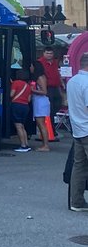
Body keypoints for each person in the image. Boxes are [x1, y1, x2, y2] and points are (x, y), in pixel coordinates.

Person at [63, 52, 88, 212]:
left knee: (79, 165)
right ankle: (77, 201)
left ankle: (76, 201)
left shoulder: (72, 82)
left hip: (78, 128)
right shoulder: (87, 82)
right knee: (80, 165)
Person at [30, 58, 51, 151]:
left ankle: (46, 145)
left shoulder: (40, 77)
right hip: (38, 101)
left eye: (31, 66)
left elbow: (44, 91)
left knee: (41, 124)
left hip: (41, 102)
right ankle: (44, 144)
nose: (30, 68)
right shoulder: (37, 77)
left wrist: (32, 90)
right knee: (40, 124)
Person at [9, 69, 32, 153]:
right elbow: (29, 99)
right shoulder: (28, 86)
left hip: (17, 105)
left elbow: (11, 94)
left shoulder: (16, 83)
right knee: (22, 126)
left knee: (18, 126)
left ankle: (23, 146)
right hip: (25, 106)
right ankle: (26, 144)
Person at [41, 46, 64, 118]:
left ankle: (52, 116)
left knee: (59, 102)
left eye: (51, 53)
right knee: (50, 105)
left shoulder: (55, 62)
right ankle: (50, 120)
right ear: (43, 53)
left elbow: (57, 73)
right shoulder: (40, 62)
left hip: (56, 86)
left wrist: (62, 83)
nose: (49, 55)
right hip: (47, 87)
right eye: (47, 53)